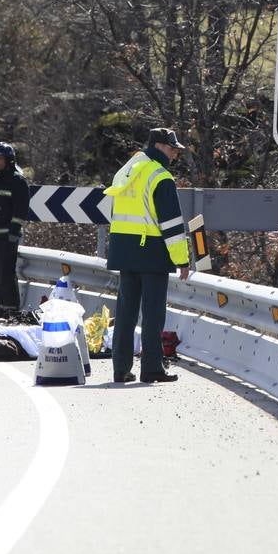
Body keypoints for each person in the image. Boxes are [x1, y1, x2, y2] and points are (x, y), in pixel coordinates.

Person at [104, 127, 191, 383]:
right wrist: (181, 260)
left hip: (124, 249)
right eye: (173, 148)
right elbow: (172, 225)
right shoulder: (160, 176)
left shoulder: (128, 169)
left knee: (126, 312)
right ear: (161, 146)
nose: (175, 154)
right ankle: (152, 368)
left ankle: (120, 369)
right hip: (151, 251)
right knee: (153, 313)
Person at [0, 141, 30, 316]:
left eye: (0, 159)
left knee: (6, 272)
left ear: (9, 160)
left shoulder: (17, 181)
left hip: (8, 236)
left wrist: (14, 230)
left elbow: (21, 208)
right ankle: (1, 306)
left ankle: (12, 308)